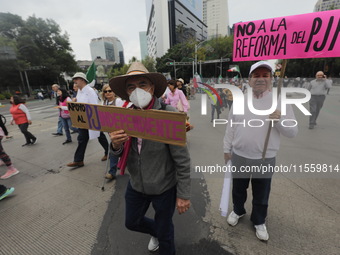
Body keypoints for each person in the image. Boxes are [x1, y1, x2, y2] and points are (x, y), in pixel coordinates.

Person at [109, 62, 191, 254]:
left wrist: (184, 194)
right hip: (136, 184)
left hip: (164, 187)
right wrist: (115, 144)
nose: (137, 90)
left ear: (152, 87)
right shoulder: (123, 116)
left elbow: (182, 159)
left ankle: (164, 238)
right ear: (127, 93)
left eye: (142, 84)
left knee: (165, 232)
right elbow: (117, 153)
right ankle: (159, 232)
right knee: (132, 222)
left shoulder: (168, 114)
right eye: (131, 86)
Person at [223, 61, 298, 241]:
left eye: (265, 75)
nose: (261, 79)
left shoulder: (280, 101)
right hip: (240, 155)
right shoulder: (240, 100)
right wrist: (227, 149)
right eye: (256, 75)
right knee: (239, 189)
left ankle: (258, 220)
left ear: (271, 79)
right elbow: (231, 126)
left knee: (261, 193)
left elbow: (293, 132)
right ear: (249, 80)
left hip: (265, 157)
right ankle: (238, 210)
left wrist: (279, 120)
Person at [66, 72, 109, 167]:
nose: (74, 81)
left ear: (82, 80)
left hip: (92, 118)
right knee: (82, 139)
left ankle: (108, 152)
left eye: (76, 79)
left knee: (100, 136)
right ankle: (78, 160)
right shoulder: (79, 91)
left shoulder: (89, 91)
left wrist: (93, 118)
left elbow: (94, 105)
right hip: (83, 120)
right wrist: (74, 102)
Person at [101, 84, 119, 179]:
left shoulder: (119, 101)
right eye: (105, 91)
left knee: (116, 150)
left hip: (120, 130)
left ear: (114, 92)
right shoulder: (103, 103)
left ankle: (113, 171)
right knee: (115, 149)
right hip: (110, 130)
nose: (108, 93)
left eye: (110, 91)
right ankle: (113, 171)